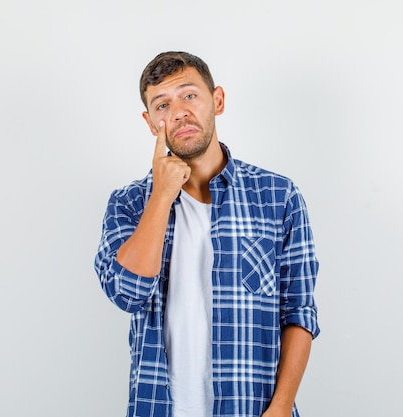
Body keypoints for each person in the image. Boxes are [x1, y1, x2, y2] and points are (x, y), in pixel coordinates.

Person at [94, 51, 320, 417]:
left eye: (189, 95)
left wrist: (279, 409)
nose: (179, 111)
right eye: (162, 104)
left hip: (253, 409)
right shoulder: (129, 203)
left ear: (217, 101)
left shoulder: (278, 196)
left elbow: (298, 312)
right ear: (151, 123)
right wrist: (162, 195)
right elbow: (128, 294)